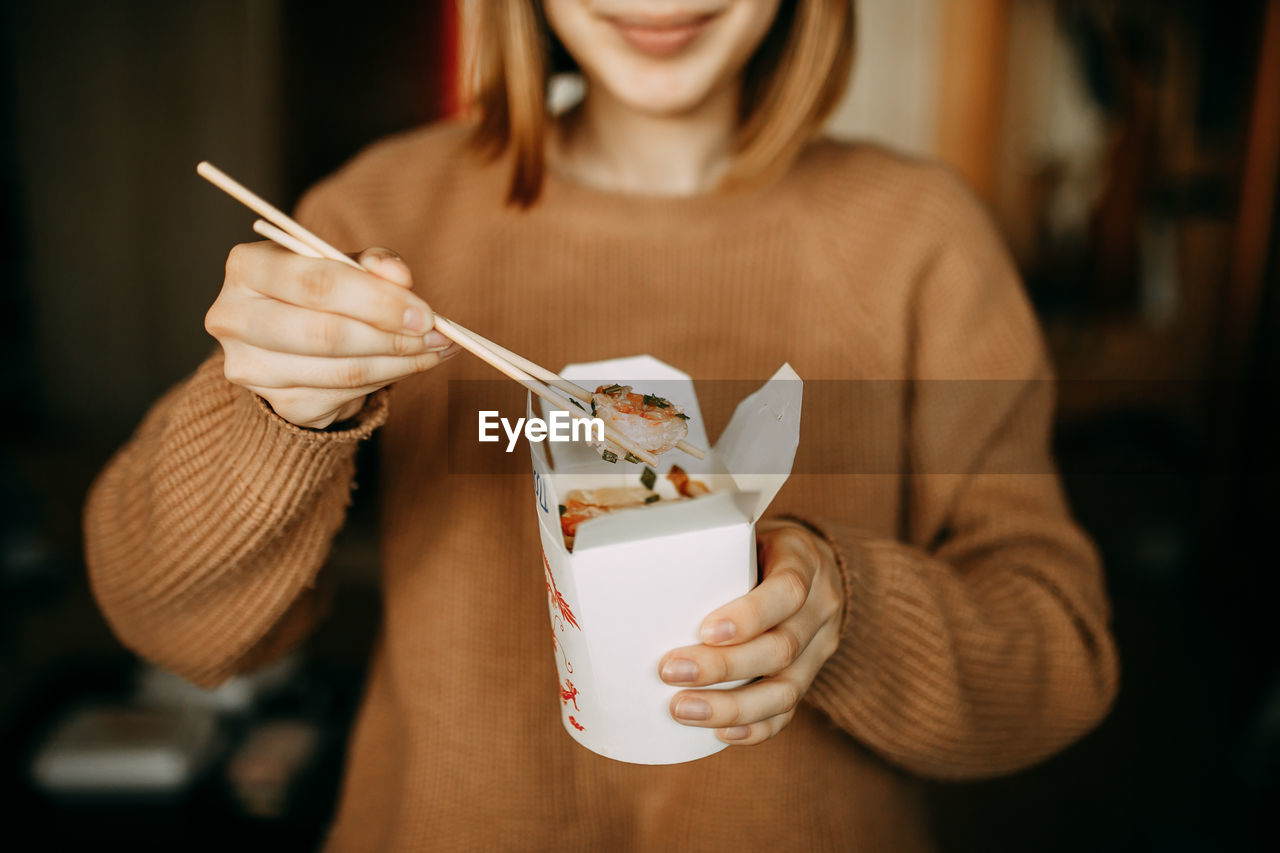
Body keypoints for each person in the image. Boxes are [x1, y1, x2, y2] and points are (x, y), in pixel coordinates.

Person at [84, 1, 1120, 849]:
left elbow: (1057, 656)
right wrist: (273, 412)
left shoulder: (917, 239)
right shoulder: (377, 212)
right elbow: (166, 621)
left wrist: (842, 616)